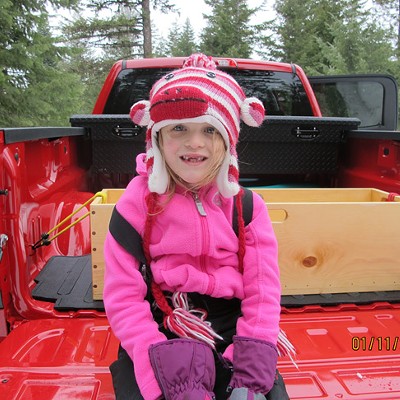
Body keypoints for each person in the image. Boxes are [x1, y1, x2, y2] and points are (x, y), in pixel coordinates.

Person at [103, 53, 291, 400]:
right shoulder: (135, 206)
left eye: (209, 129)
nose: (194, 142)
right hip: (163, 321)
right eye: (179, 128)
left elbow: (263, 292)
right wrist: (166, 373)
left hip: (233, 326)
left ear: (229, 140)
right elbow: (124, 299)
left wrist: (250, 372)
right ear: (157, 138)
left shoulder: (246, 206)